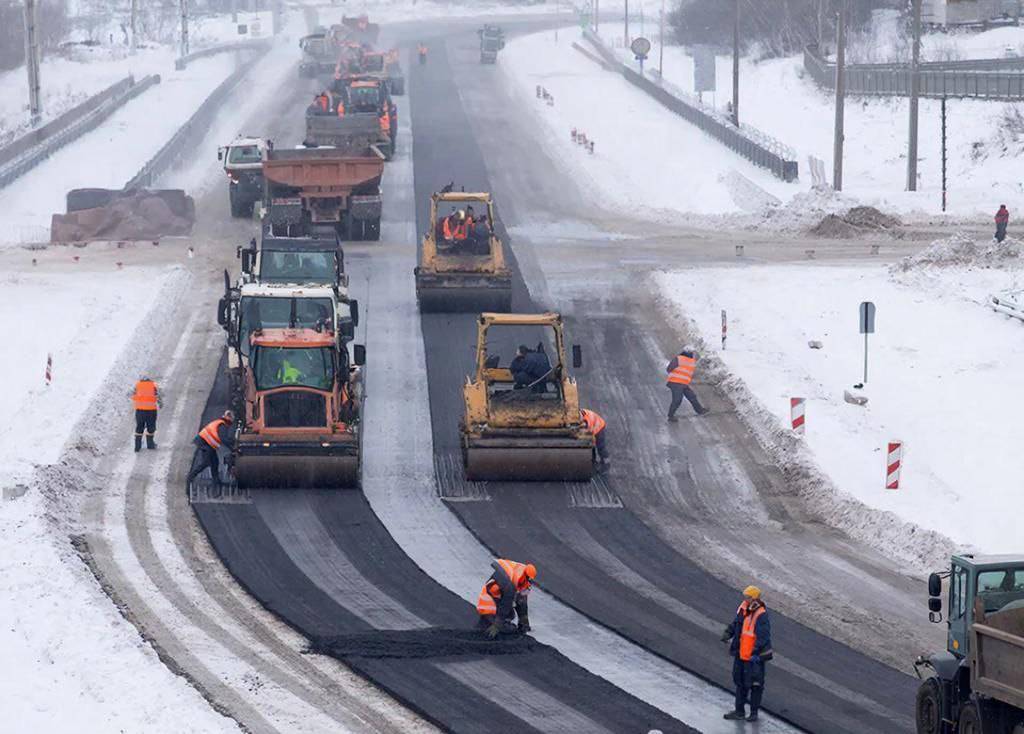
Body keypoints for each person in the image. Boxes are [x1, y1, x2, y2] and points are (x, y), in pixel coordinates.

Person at [721, 585, 773, 722]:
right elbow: (737, 624)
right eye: (745, 596)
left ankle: (753, 713)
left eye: (748, 597)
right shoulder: (743, 608)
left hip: (753, 657)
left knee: (755, 684)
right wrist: (728, 632)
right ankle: (739, 712)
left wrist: (755, 651)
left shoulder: (761, 613)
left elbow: (764, 636)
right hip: (741, 654)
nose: (745, 599)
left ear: (754, 598)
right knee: (740, 682)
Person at [477, 558, 536, 638]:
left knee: (510, 614)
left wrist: (523, 619)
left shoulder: (522, 575)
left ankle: (494, 624)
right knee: (507, 628)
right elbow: (506, 603)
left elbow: (521, 599)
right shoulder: (510, 583)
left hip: (499, 596)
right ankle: (488, 628)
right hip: (488, 606)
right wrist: (497, 625)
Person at [186, 411, 234, 488]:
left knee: (215, 462)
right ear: (229, 419)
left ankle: (216, 481)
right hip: (205, 442)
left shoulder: (220, 423)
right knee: (205, 462)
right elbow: (223, 439)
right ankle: (190, 477)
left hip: (208, 443)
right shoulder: (222, 425)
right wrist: (232, 447)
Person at [666, 346, 708, 421]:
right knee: (678, 399)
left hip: (683, 383)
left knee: (692, 396)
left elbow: (669, 369)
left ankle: (700, 410)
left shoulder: (682, 359)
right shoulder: (681, 359)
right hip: (676, 382)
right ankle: (670, 416)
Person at [131, 375, 161, 452]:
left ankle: (137, 446)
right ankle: (150, 445)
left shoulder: (137, 385)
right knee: (151, 427)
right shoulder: (154, 385)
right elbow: (160, 394)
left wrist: (137, 398)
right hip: (151, 410)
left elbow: (130, 394)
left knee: (139, 427)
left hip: (140, 410)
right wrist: (160, 403)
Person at [580, 408, 609, 472]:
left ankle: (605, 464)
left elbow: (588, 435)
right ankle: (593, 462)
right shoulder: (579, 413)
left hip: (599, 428)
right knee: (591, 447)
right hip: (594, 426)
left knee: (600, 447)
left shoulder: (587, 421)